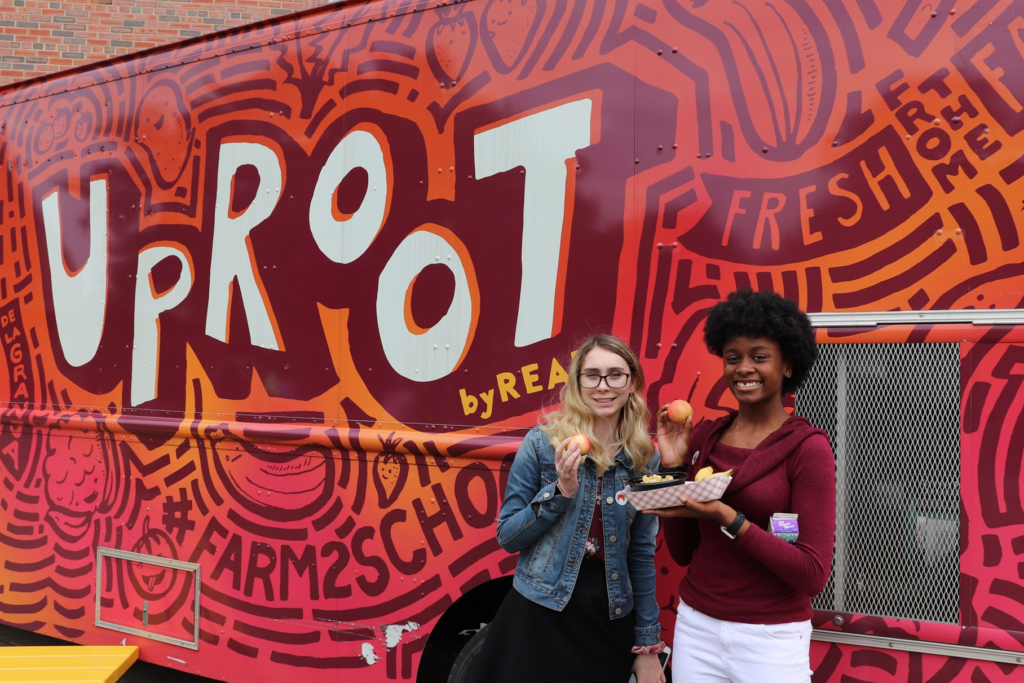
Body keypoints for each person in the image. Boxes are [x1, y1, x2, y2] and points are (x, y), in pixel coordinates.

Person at [650, 289, 836, 683]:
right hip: (696, 627)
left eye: (759, 356)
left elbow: (812, 573)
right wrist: (674, 465)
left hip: (771, 639)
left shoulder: (807, 448)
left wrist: (730, 519)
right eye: (733, 358)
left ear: (788, 366)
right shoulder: (706, 437)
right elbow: (683, 552)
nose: (743, 368)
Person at [464, 334, 665, 683]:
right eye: (592, 375)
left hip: (608, 616)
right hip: (539, 614)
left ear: (632, 382)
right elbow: (508, 537)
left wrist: (647, 646)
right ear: (577, 382)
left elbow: (642, 554)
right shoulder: (543, 444)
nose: (604, 386)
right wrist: (561, 491)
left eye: (616, 374)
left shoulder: (644, 458)